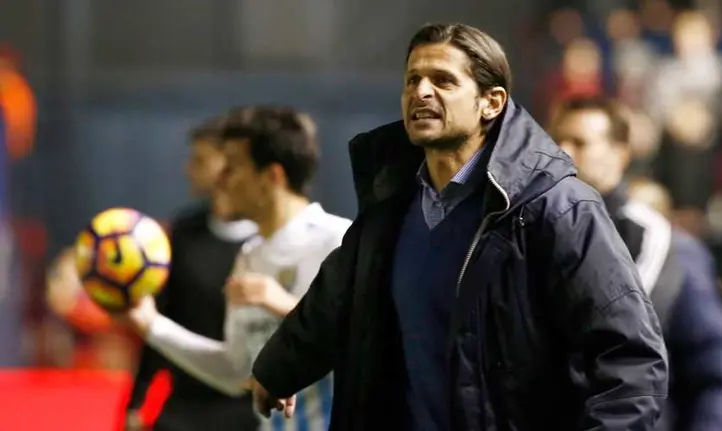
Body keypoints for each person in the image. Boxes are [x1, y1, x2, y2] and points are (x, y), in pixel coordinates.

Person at [250, 23, 668, 430]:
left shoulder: (557, 207)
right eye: (412, 79)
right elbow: (332, 302)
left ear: (492, 102)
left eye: (443, 80)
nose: (421, 92)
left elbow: (630, 358)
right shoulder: (389, 208)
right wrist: (276, 370)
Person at [124, 107, 351, 431]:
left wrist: (285, 306)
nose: (219, 180)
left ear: (272, 177)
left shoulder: (341, 241)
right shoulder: (249, 257)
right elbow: (236, 372)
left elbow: (374, 345)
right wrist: (152, 326)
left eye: (231, 168)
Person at [550, 96, 722, 431]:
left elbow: (716, 379)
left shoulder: (668, 249)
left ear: (620, 154)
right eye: (557, 142)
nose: (564, 153)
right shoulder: (532, 237)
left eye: (580, 143)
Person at [122, 114, 259, 430]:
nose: (188, 169)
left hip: (251, 413)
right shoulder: (183, 233)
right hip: (185, 410)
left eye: (199, 160)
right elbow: (162, 318)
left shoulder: (270, 240)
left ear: (229, 165)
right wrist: (137, 400)